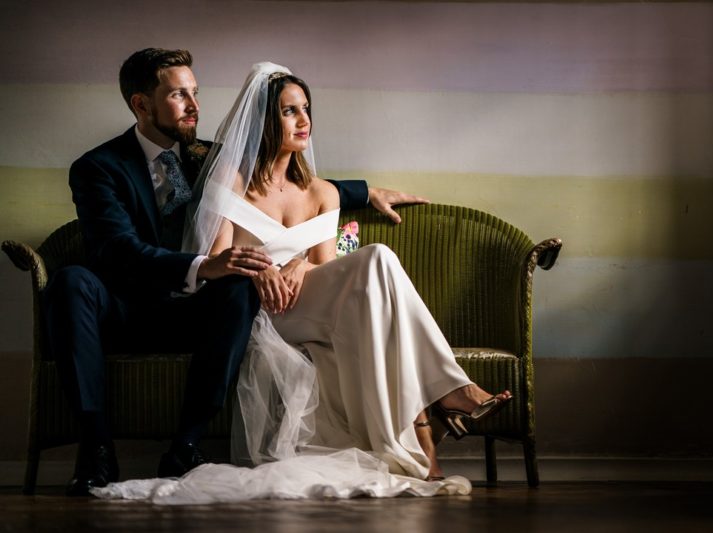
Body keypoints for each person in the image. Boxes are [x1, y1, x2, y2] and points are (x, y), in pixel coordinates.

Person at [91, 62, 511, 503]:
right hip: (260, 313)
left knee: (378, 261)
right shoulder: (230, 182)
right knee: (378, 262)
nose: (304, 120)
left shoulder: (322, 192)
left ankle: (439, 410)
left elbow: (329, 269)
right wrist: (265, 268)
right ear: (264, 123)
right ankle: (449, 395)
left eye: (306, 108)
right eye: (290, 111)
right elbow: (216, 263)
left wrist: (300, 265)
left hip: (309, 307)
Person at [44, 48, 427, 497]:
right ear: (141, 104)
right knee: (70, 281)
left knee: (241, 288)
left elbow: (283, 175)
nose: (194, 105)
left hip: (197, 314)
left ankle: (185, 446)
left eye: (196, 93)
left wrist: (366, 191)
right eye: (178, 95)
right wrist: (203, 265)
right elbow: (118, 249)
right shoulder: (98, 168)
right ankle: (95, 448)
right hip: (129, 308)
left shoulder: (214, 158)